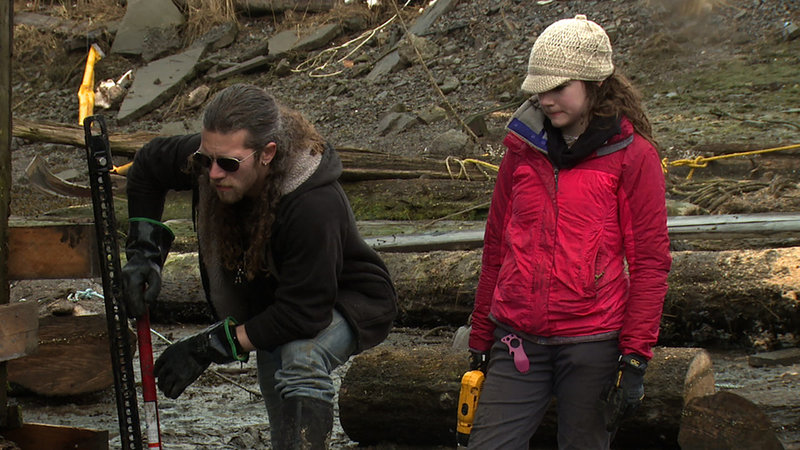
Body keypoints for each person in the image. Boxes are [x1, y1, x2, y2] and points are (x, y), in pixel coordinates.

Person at [121, 83, 398, 449]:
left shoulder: (314, 205)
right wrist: (145, 251)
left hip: (345, 299)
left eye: (228, 164)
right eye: (207, 160)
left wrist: (208, 346)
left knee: (301, 358)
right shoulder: (217, 155)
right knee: (281, 416)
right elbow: (148, 165)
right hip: (277, 301)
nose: (214, 173)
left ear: (268, 153)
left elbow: (303, 314)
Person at [466, 15, 671, 449]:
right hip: (516, 338)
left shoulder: (634, 156)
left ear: (594, 84)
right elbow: (496, 249)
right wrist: (481, 336)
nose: (546, 99)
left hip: (592, 342)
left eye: (559, 88)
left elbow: (651, 264)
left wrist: (634, 356)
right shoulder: (520, 151)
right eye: (540, 89)